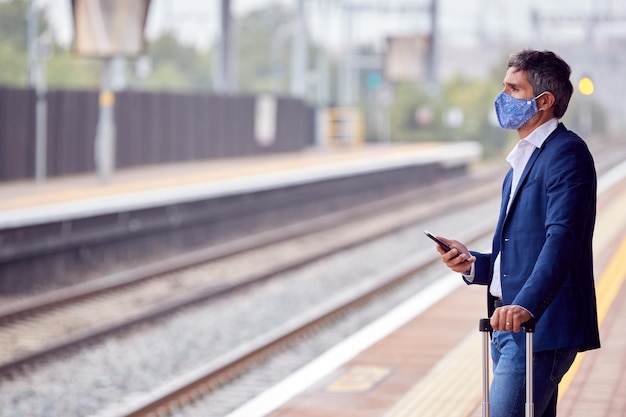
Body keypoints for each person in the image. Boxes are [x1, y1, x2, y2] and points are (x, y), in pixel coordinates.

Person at [432, 49, 601, 417]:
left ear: (544, 101)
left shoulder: (567, 154)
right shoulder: (522, 160)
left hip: (539, 327)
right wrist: (472, 264)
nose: (502, 97)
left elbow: (563, 240)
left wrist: (526, 305)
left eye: (513, 89)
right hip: (507, 325)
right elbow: (520, 252)